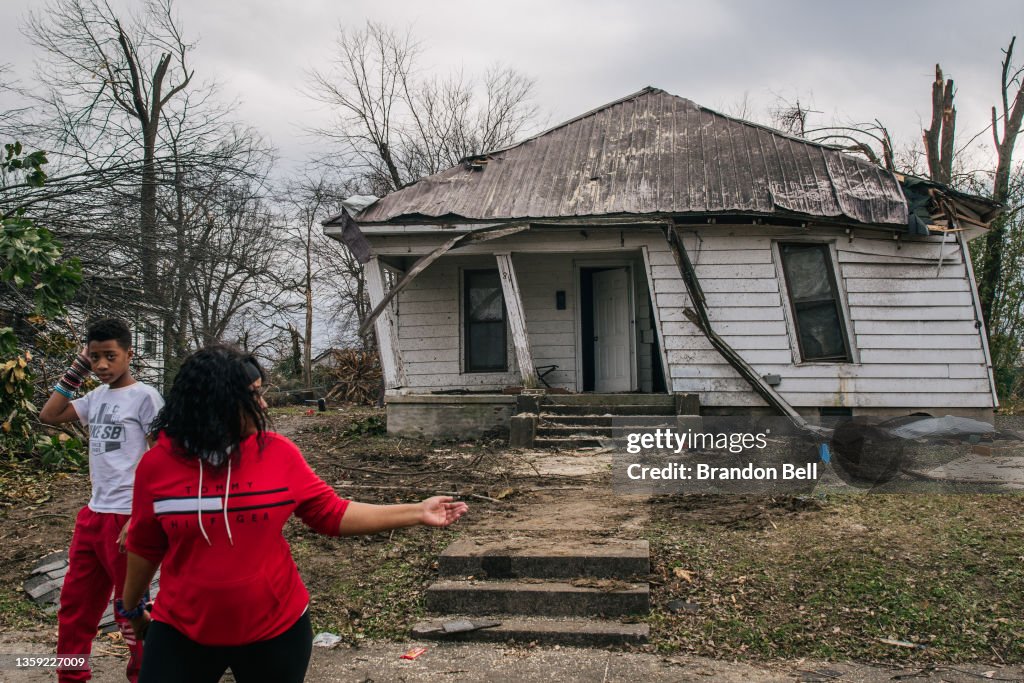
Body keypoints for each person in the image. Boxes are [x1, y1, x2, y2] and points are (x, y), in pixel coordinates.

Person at [121, 345, 467, 683]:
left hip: (276, 630)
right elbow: (144, 545)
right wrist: (132, 609)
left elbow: (332, 513)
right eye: (252, 396)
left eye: (261, 393)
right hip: (181, 630)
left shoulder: (278, 453)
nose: (264, 404)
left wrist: (417, 511)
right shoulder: (157, 466)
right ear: (215, 403)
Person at [39, 318, 164, 683]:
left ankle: (145, 675)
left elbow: (163, 458)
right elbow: (50, 415)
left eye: (111, 356)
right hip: (93, 516)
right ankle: (72, 676)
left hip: (126, 519)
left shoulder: (145, 397)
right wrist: (76, 368)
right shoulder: (95, 397)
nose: (103, 365)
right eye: (95, 358)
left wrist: (140, 516)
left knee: (130, 609)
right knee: (75, 607)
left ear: (129, 354)